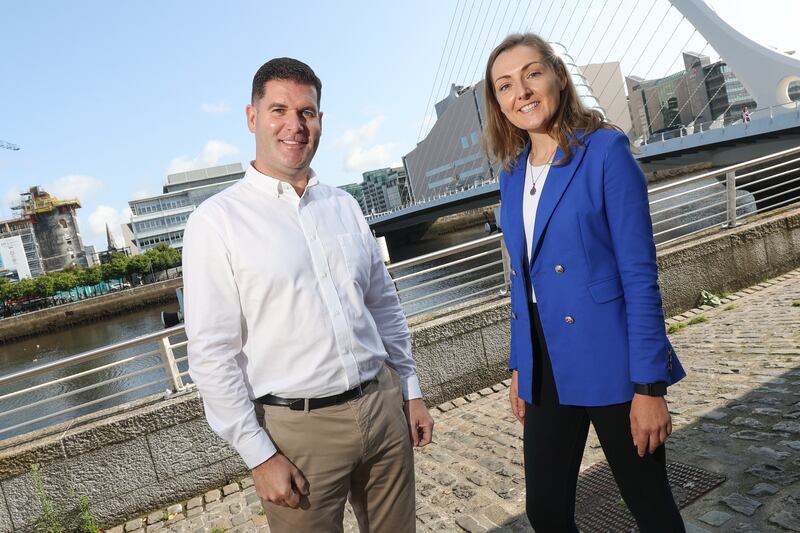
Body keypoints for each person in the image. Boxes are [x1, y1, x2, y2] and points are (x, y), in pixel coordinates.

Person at [183, 57, 433, 533]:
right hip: (297, 432)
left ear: (320, 120)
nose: (294, 126)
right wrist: (259, 456)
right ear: (252, 117)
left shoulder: (344, 205)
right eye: (279, 110)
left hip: (381, 404)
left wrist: (410, 390)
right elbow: (213, 355)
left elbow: (383, 307)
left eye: (307, 112)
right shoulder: (216, 223)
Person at [483, 34, 687, 532]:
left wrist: (649, 386)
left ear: (558, 75)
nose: (522, 92)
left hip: (611, 359)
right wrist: (520, 364)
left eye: (532, 74)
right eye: (505, 85)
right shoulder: (512, 174)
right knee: (547, 511)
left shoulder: (605, 152)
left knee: (649, 506)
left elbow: (639, 278)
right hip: (544, 362)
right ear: (498, 103)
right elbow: (522, 280)